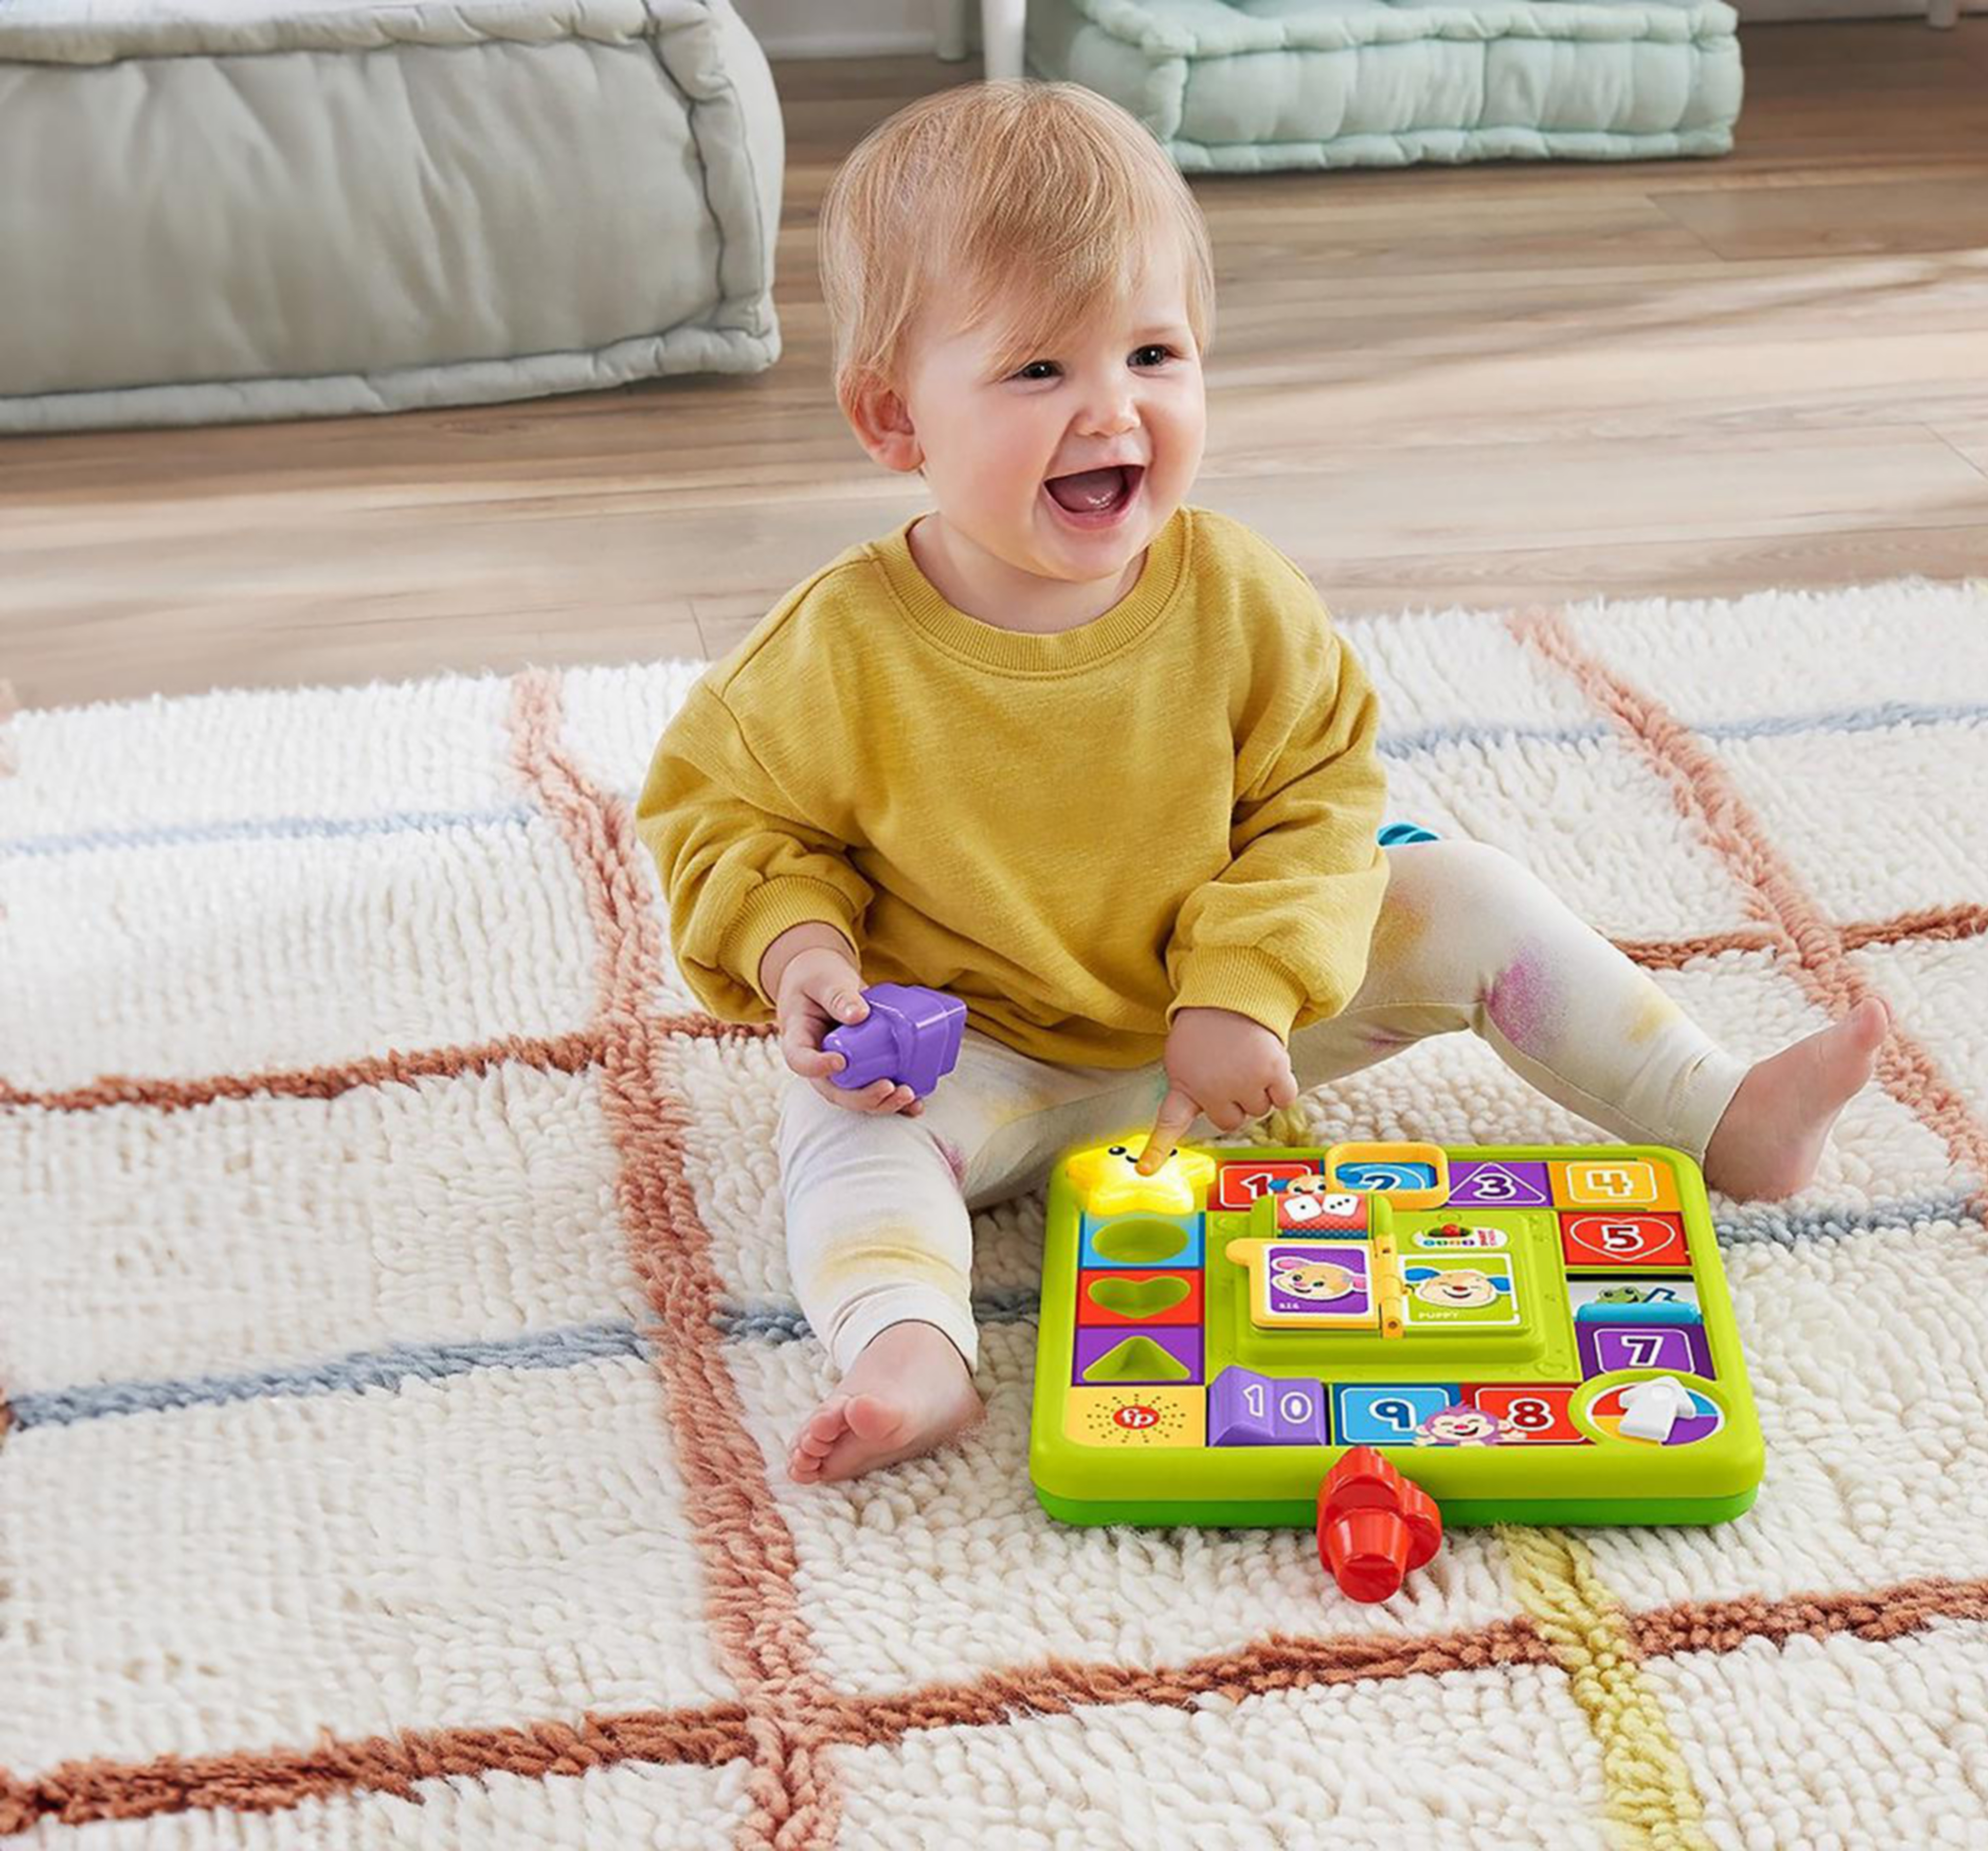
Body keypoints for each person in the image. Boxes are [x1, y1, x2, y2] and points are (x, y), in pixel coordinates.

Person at [636, 81, 1887, 1484]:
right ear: (893, 420)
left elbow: (1320, 804)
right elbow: (728, 821)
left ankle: (1721, 1113)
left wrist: (1238, 990)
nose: (1113, 408)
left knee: (1461, 890)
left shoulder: (1236, 597)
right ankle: (907, 1343)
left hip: (1235, 1033)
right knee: (838, 1134)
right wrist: (798, 947)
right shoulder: (832, 649)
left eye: (1154, 354)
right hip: (984, 1058)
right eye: (1039, 373)